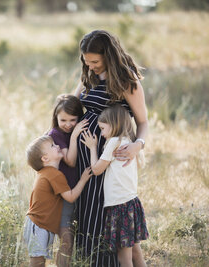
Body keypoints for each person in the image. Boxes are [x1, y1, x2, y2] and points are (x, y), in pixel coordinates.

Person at [73, 29, 149, 266]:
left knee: (109, 216)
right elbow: (72, 104)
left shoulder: (127, 81)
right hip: (86, 158)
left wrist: (139, 144)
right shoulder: (89, 76)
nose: (91, 66)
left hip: (109, 160)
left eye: (95, 61)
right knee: (88, 213)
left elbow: (143, 121)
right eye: (87, 61)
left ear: (108, 55)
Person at [81, 104, 149, 267]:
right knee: (135, 252)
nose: (101, 133)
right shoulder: (128, 142)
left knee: (123, 258)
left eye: (103, 128)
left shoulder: (114, 142)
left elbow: (96, 169)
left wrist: (91, 147)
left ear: (114, 124)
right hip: (131, 203)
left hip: (119, 206)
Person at [24, 135, 92, 267]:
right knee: (37, 262)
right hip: (39, 225)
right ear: (45, 158)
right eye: (53, 146)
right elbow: (71, 197)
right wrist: (83, 179)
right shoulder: (54, 174)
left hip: (41, 224)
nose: (58, 146)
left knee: (40, 261)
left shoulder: (46, 172)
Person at [47, 94, 88, 266]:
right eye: (63, 119)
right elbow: (70, 161)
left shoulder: (68, 129)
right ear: (56, 117)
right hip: (63, 195)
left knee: (71, 237)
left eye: (73, 119)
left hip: (73, 191)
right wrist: (74, 135)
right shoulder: (56, 133)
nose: (68, 124)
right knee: (66, 241)